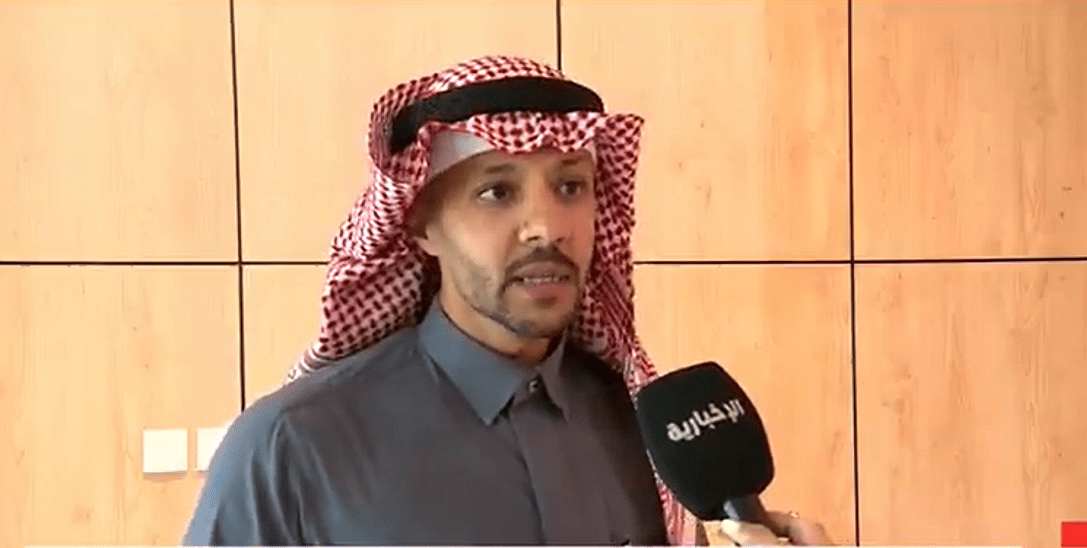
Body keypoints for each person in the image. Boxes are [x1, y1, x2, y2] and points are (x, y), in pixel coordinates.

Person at [182, 55, 833, 546]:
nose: (547, 228)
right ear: (419, 224)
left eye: (571, 187)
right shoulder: (291, 447)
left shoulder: (645, 432)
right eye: (497, 192)